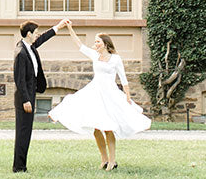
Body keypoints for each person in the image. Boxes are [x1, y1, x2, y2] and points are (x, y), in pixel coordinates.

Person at [48, 22, 151, 170]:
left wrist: (128, 97)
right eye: (95, 42)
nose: (95, 44)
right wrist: (70, 28)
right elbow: (79, 44)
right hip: (95, 92)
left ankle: (112, 161)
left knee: (108, 127)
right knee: (96, 127)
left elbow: (123, 79)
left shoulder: (115, 59)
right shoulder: (95, 55)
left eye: (98, 42)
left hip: (110, 94)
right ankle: (104, 159)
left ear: (105, 44)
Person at [12, 18, 70, 173]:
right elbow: (19, 79)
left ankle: (21, 166)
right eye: (35, 33)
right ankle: (19, 168)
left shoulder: (30, 46)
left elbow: (43, 38)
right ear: (29, 34)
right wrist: (26, 100)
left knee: (26, 132)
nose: (37, 35)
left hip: (31, 94)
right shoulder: (21, 53)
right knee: (23, 133)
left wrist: (59, 26)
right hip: (24, 99)